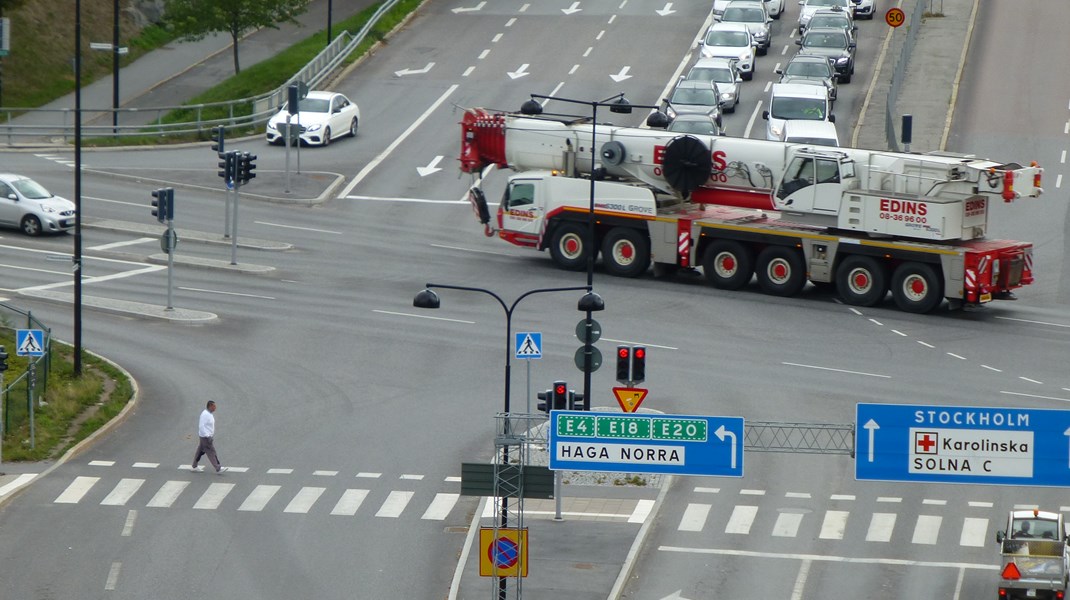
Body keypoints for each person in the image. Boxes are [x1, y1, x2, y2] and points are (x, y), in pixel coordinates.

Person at [192, 400, 227, 474]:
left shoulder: (209, 414)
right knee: (211, 452)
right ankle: (218, 468)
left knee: (200, 451)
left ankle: (194, 466)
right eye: (214, 406)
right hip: (205, 437)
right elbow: (201, 426)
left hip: (204, 436)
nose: (215, 408)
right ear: (210, 406)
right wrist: (208, 436)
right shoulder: (205, 415)